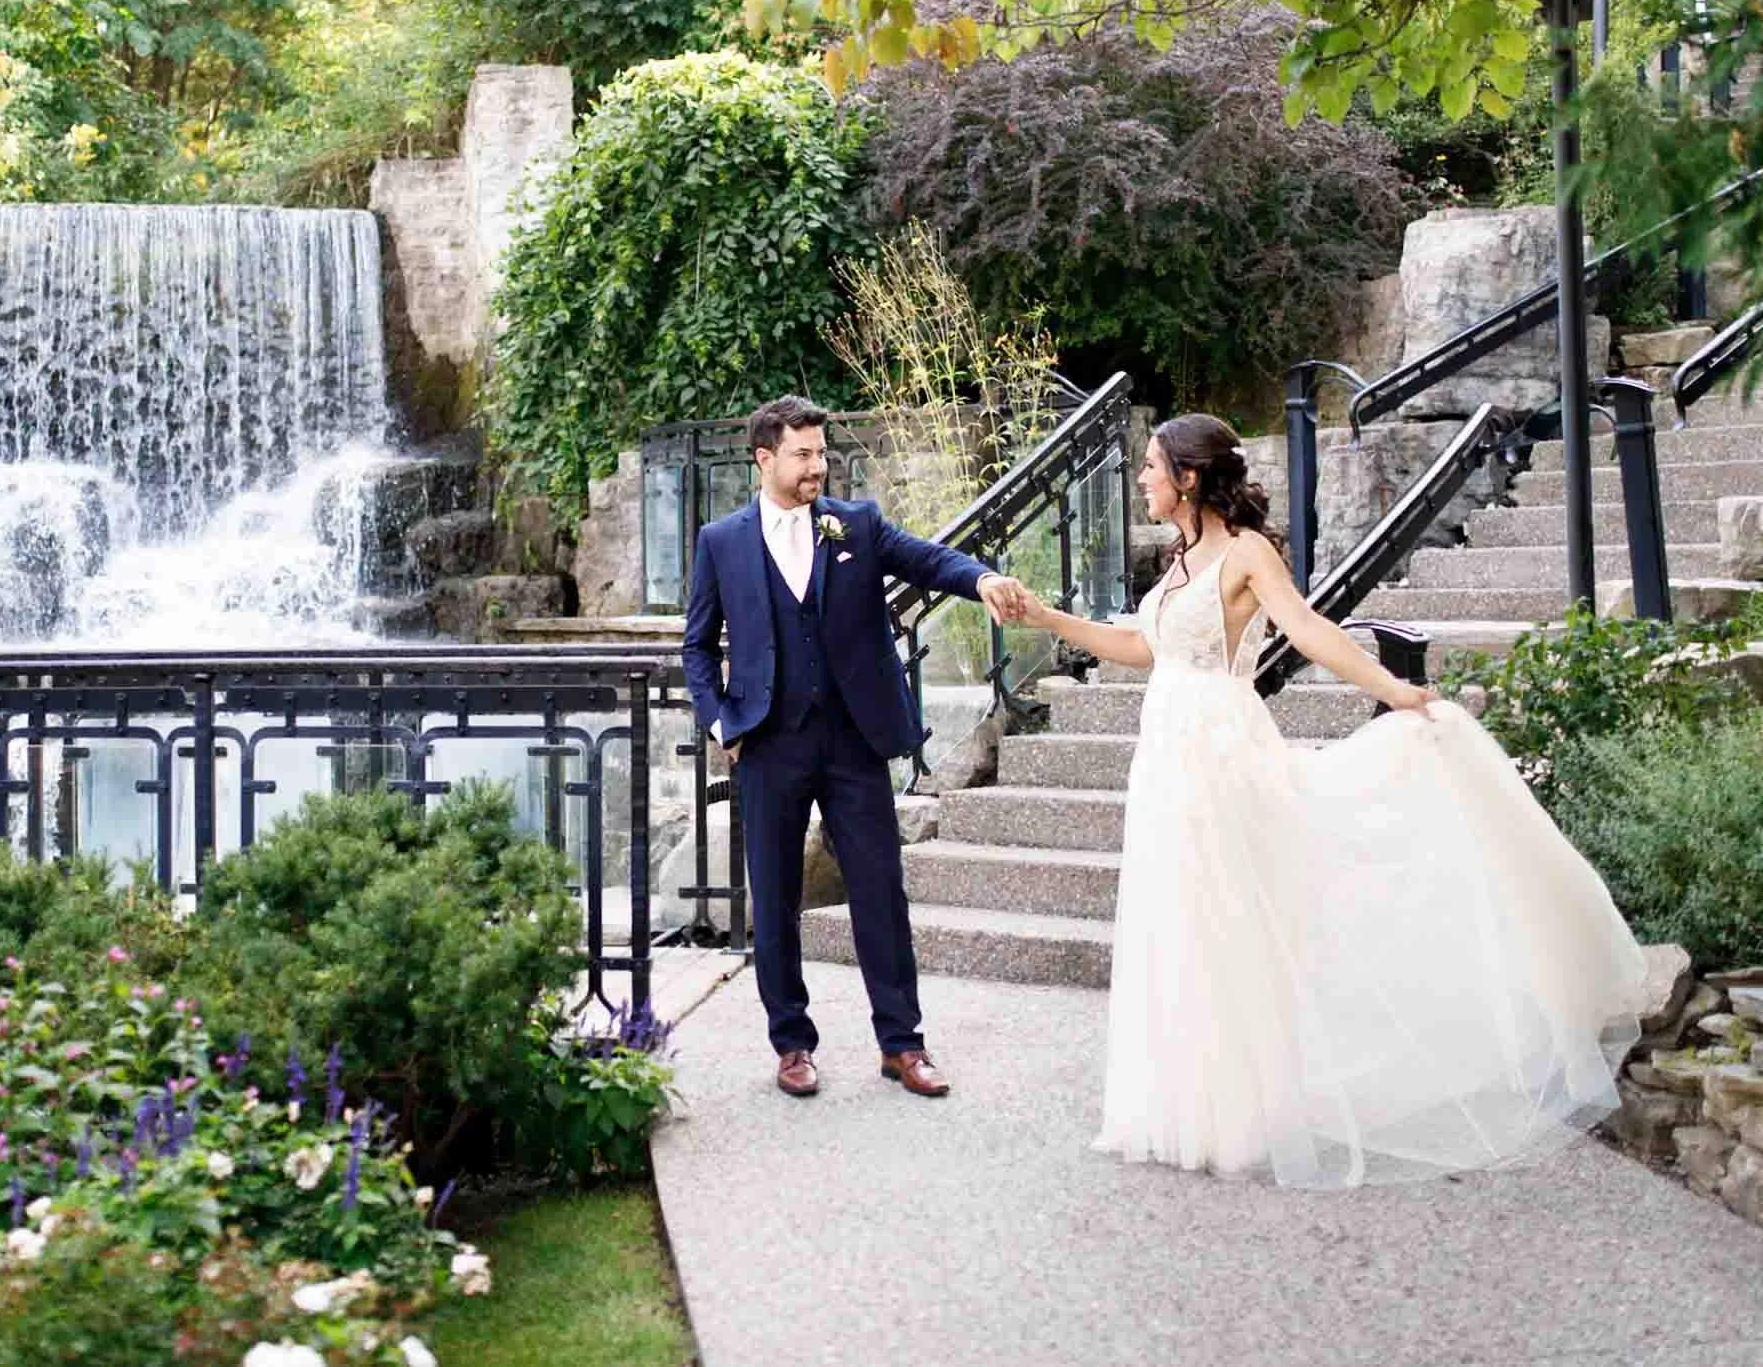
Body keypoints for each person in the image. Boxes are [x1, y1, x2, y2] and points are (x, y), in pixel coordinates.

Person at [1002, 413, 1647, 1186]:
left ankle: (1241, 1115)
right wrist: (1045, 616)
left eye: (1149, 467)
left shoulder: (1247, 554)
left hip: (1219, 749)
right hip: (1164, 758)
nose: (1140, 479)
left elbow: (1307, 630)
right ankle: (1188, 1109)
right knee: (1178, 919)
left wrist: (1394, 690)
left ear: (1189, 477)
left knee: (1228, 918)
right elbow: (1144, 649)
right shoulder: (1178, 562)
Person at [682, 395, 1033, 1099]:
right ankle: (792, 1043)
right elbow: (696, 646)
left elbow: (927, 559)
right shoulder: (721, 541)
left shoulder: (855, 525)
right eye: (803, 454)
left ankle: (901, 1043)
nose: (818, 465)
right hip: (769, 743)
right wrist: (723, 724)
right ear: (765, 459)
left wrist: (982, 577)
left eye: (821, 453)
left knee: (880, 889)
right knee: (775, 899)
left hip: (853, 740)